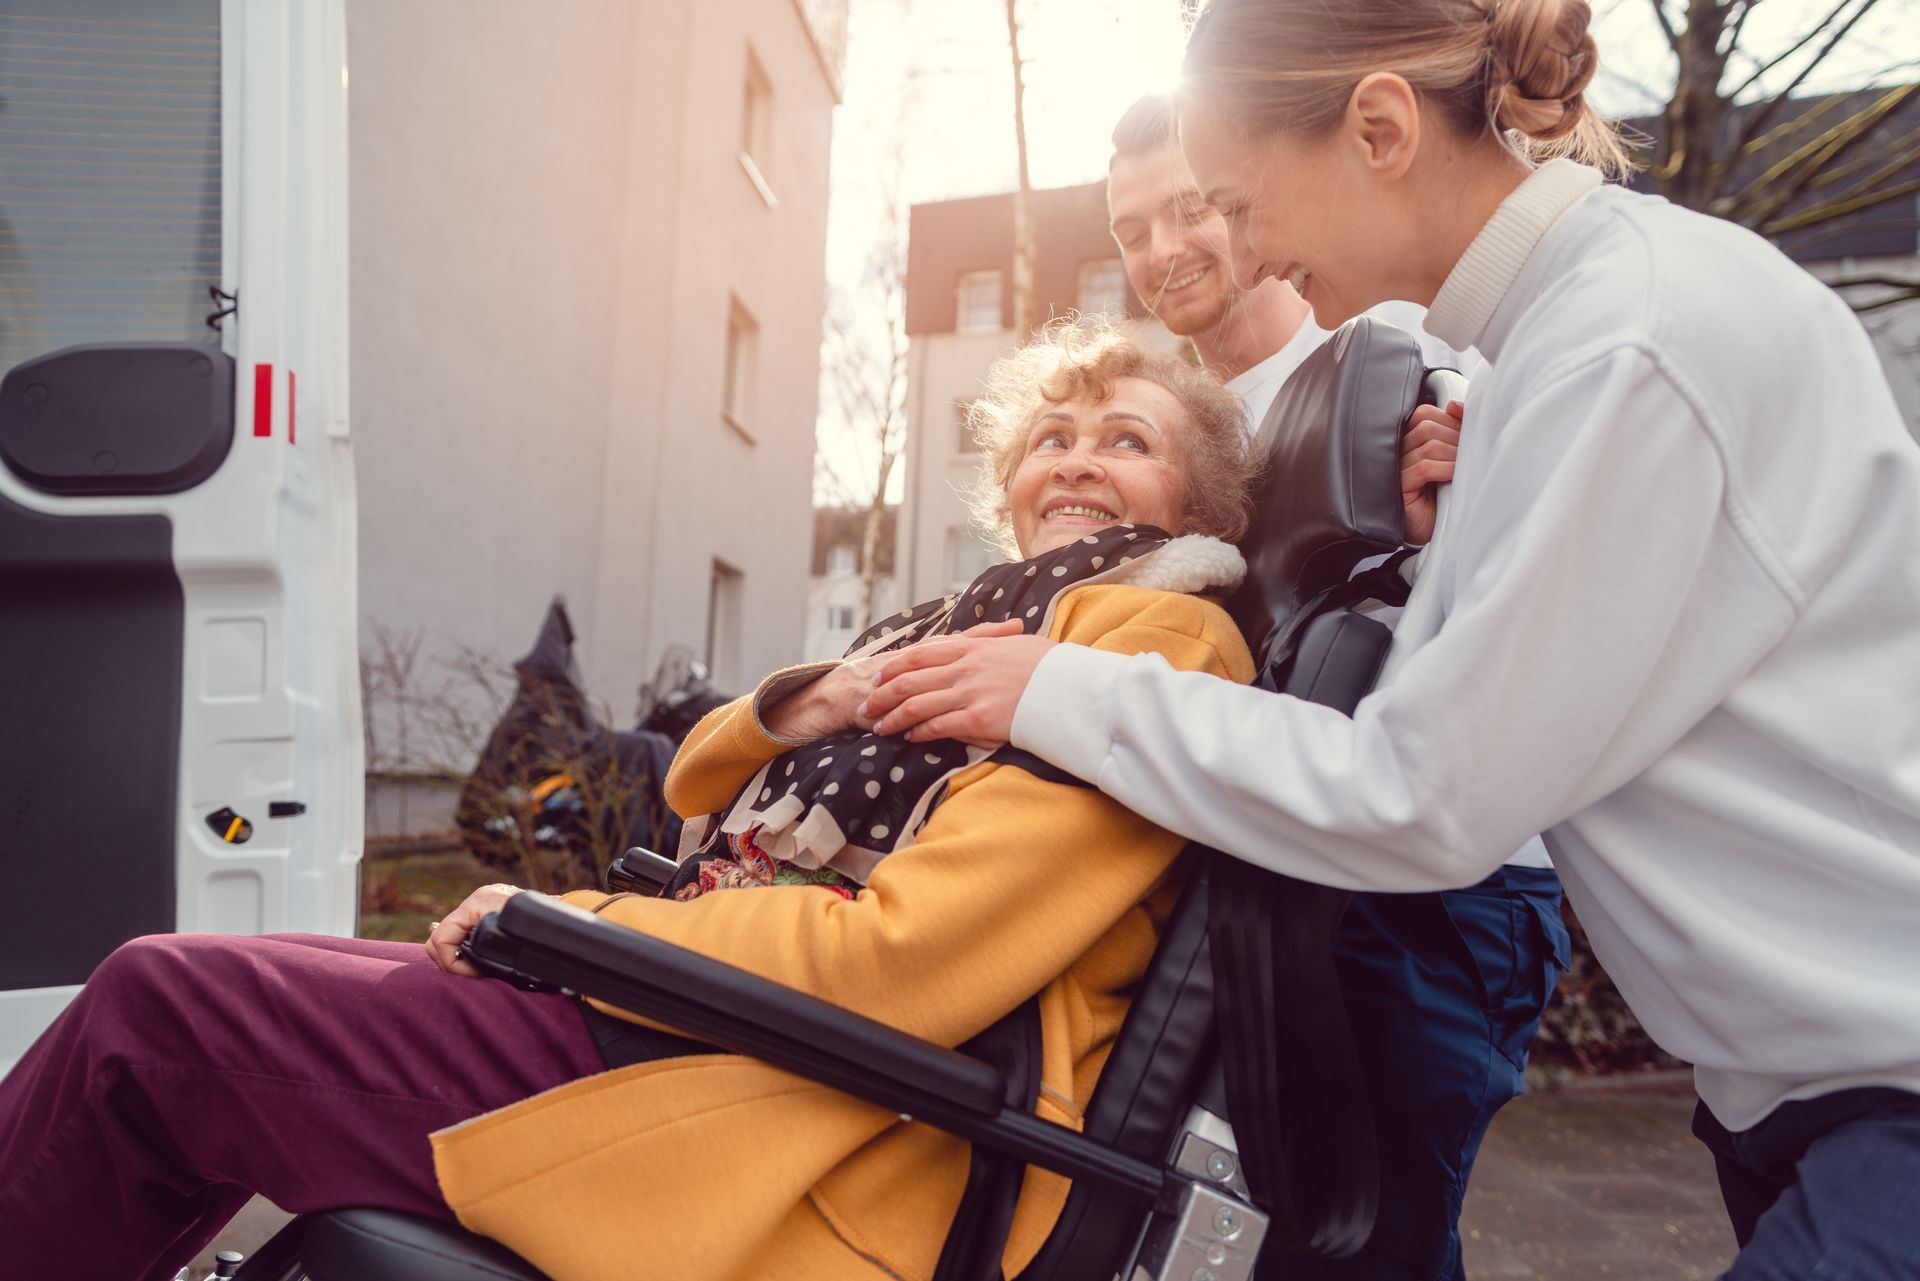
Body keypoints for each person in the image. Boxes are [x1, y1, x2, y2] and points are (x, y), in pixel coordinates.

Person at [860, 3, 1920, 1277]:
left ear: (1379, 128)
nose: (1243, 250)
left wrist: (1062, 688)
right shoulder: (1553, 352)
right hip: (1798, 1086)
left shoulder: (1626, 342)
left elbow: (1420, 793)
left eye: (1243, 204)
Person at [0, 324, 1265, 1281]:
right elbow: (693, 784)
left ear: (1198, 500)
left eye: (1127, 440)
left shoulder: (1146, 642)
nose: (1077, 462)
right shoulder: (973, 619)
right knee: (205, 983)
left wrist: (586, 936)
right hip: (723, 1024)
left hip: (815, 1106)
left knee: (156, 1015)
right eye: (1053, 438)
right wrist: (798, 706)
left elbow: (900, 961)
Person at [1109, 89, 1568, 1281]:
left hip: (1435, 892)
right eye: (1129, 231)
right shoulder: (1184, 432)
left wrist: (1472, 495)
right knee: (1276, 1243)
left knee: (1382, 1246)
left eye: (1192, 208)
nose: (1164, 251)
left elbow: (1554, 579)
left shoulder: (1402, 348)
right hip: (1279, 871)